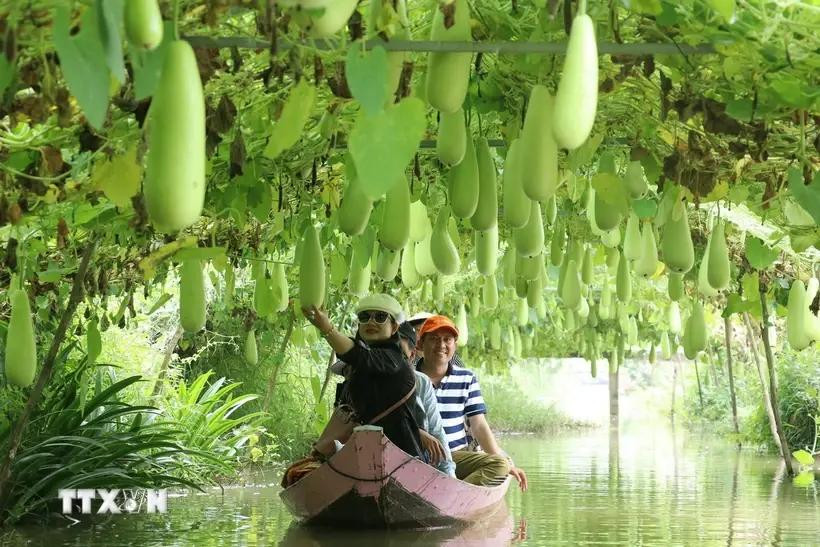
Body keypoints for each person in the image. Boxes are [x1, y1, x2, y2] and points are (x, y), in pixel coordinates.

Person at [302, 293, 423, 461]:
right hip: (364, 454)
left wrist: (327, 328)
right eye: (364, 317)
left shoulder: (393, 360)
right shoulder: (359, 366)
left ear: (394, 327)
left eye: (380, 317)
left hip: (399, 459)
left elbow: (357, 354)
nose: (371, 322)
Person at [416, 315, 529, 491]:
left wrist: (503, 460)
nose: (441, 345)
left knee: (500, 465)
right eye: (434, 339)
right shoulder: (408, 379)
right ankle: (453, 495)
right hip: (418, 455)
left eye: (447, 340)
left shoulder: (466, 378)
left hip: (456, 455)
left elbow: (478, 425)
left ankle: (452, 495)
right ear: (421, 344)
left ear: (454, 345)